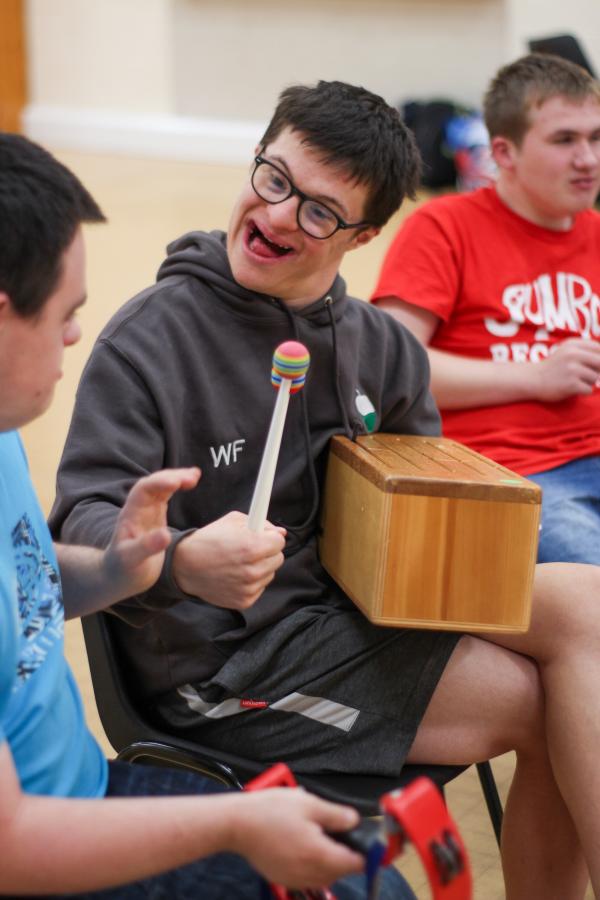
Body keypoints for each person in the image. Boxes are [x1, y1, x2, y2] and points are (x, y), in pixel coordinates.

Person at [50, 78, 600, 899]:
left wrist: (450, 538)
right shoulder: (149, 339)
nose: (275, 215)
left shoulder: (384, 348)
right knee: (545, 701)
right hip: (227, 673)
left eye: (317, 211)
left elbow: (419, 510)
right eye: (272, 179)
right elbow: (80, 531)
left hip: (350, 625)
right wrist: (181, 560)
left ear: (364, 235)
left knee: (586, 607)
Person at [0, 131, 418, 900]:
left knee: (374, 882)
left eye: (322, 210)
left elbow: (26, 575)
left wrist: (124, 568)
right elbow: (12, 847)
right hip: (52, 838)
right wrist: (236, 827)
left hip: (89, 786)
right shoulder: (148, 343)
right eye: (66, 313)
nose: (75, 335)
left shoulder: (2, 437)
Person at [371, 52, 600, 564]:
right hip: (514, 476)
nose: (588, 158)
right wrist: (535, 376)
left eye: (596, 138)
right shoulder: (444, 227)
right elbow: (387, 373)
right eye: (565, 140)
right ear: (505, 151)